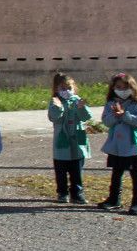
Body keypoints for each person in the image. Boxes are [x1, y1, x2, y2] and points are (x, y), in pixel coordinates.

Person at [99, 73, 137, 216]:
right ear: (113, 88)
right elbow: (106, 121)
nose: (122, 90)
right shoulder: (110, 104)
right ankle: (114, 199)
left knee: (135, 174)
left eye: (126, 87)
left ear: (132, 88)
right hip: (117, 145)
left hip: (133, 145)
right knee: (116, 172)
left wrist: (124, 115)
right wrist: (115, 114)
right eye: (119, 87)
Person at [48, 72, 91, 204]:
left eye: (69, 88)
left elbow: (86, 117)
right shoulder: (55, 102)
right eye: (63, 88)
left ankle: (77, 193)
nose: (66, 91)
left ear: (74, 88)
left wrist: (81, 108)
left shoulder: (77, 100)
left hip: (77, 140)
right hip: (62, 141)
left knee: (76, 170)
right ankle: (62, 192)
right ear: (57, 89)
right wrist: (59, 108)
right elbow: (53, 117)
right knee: (61, 170)